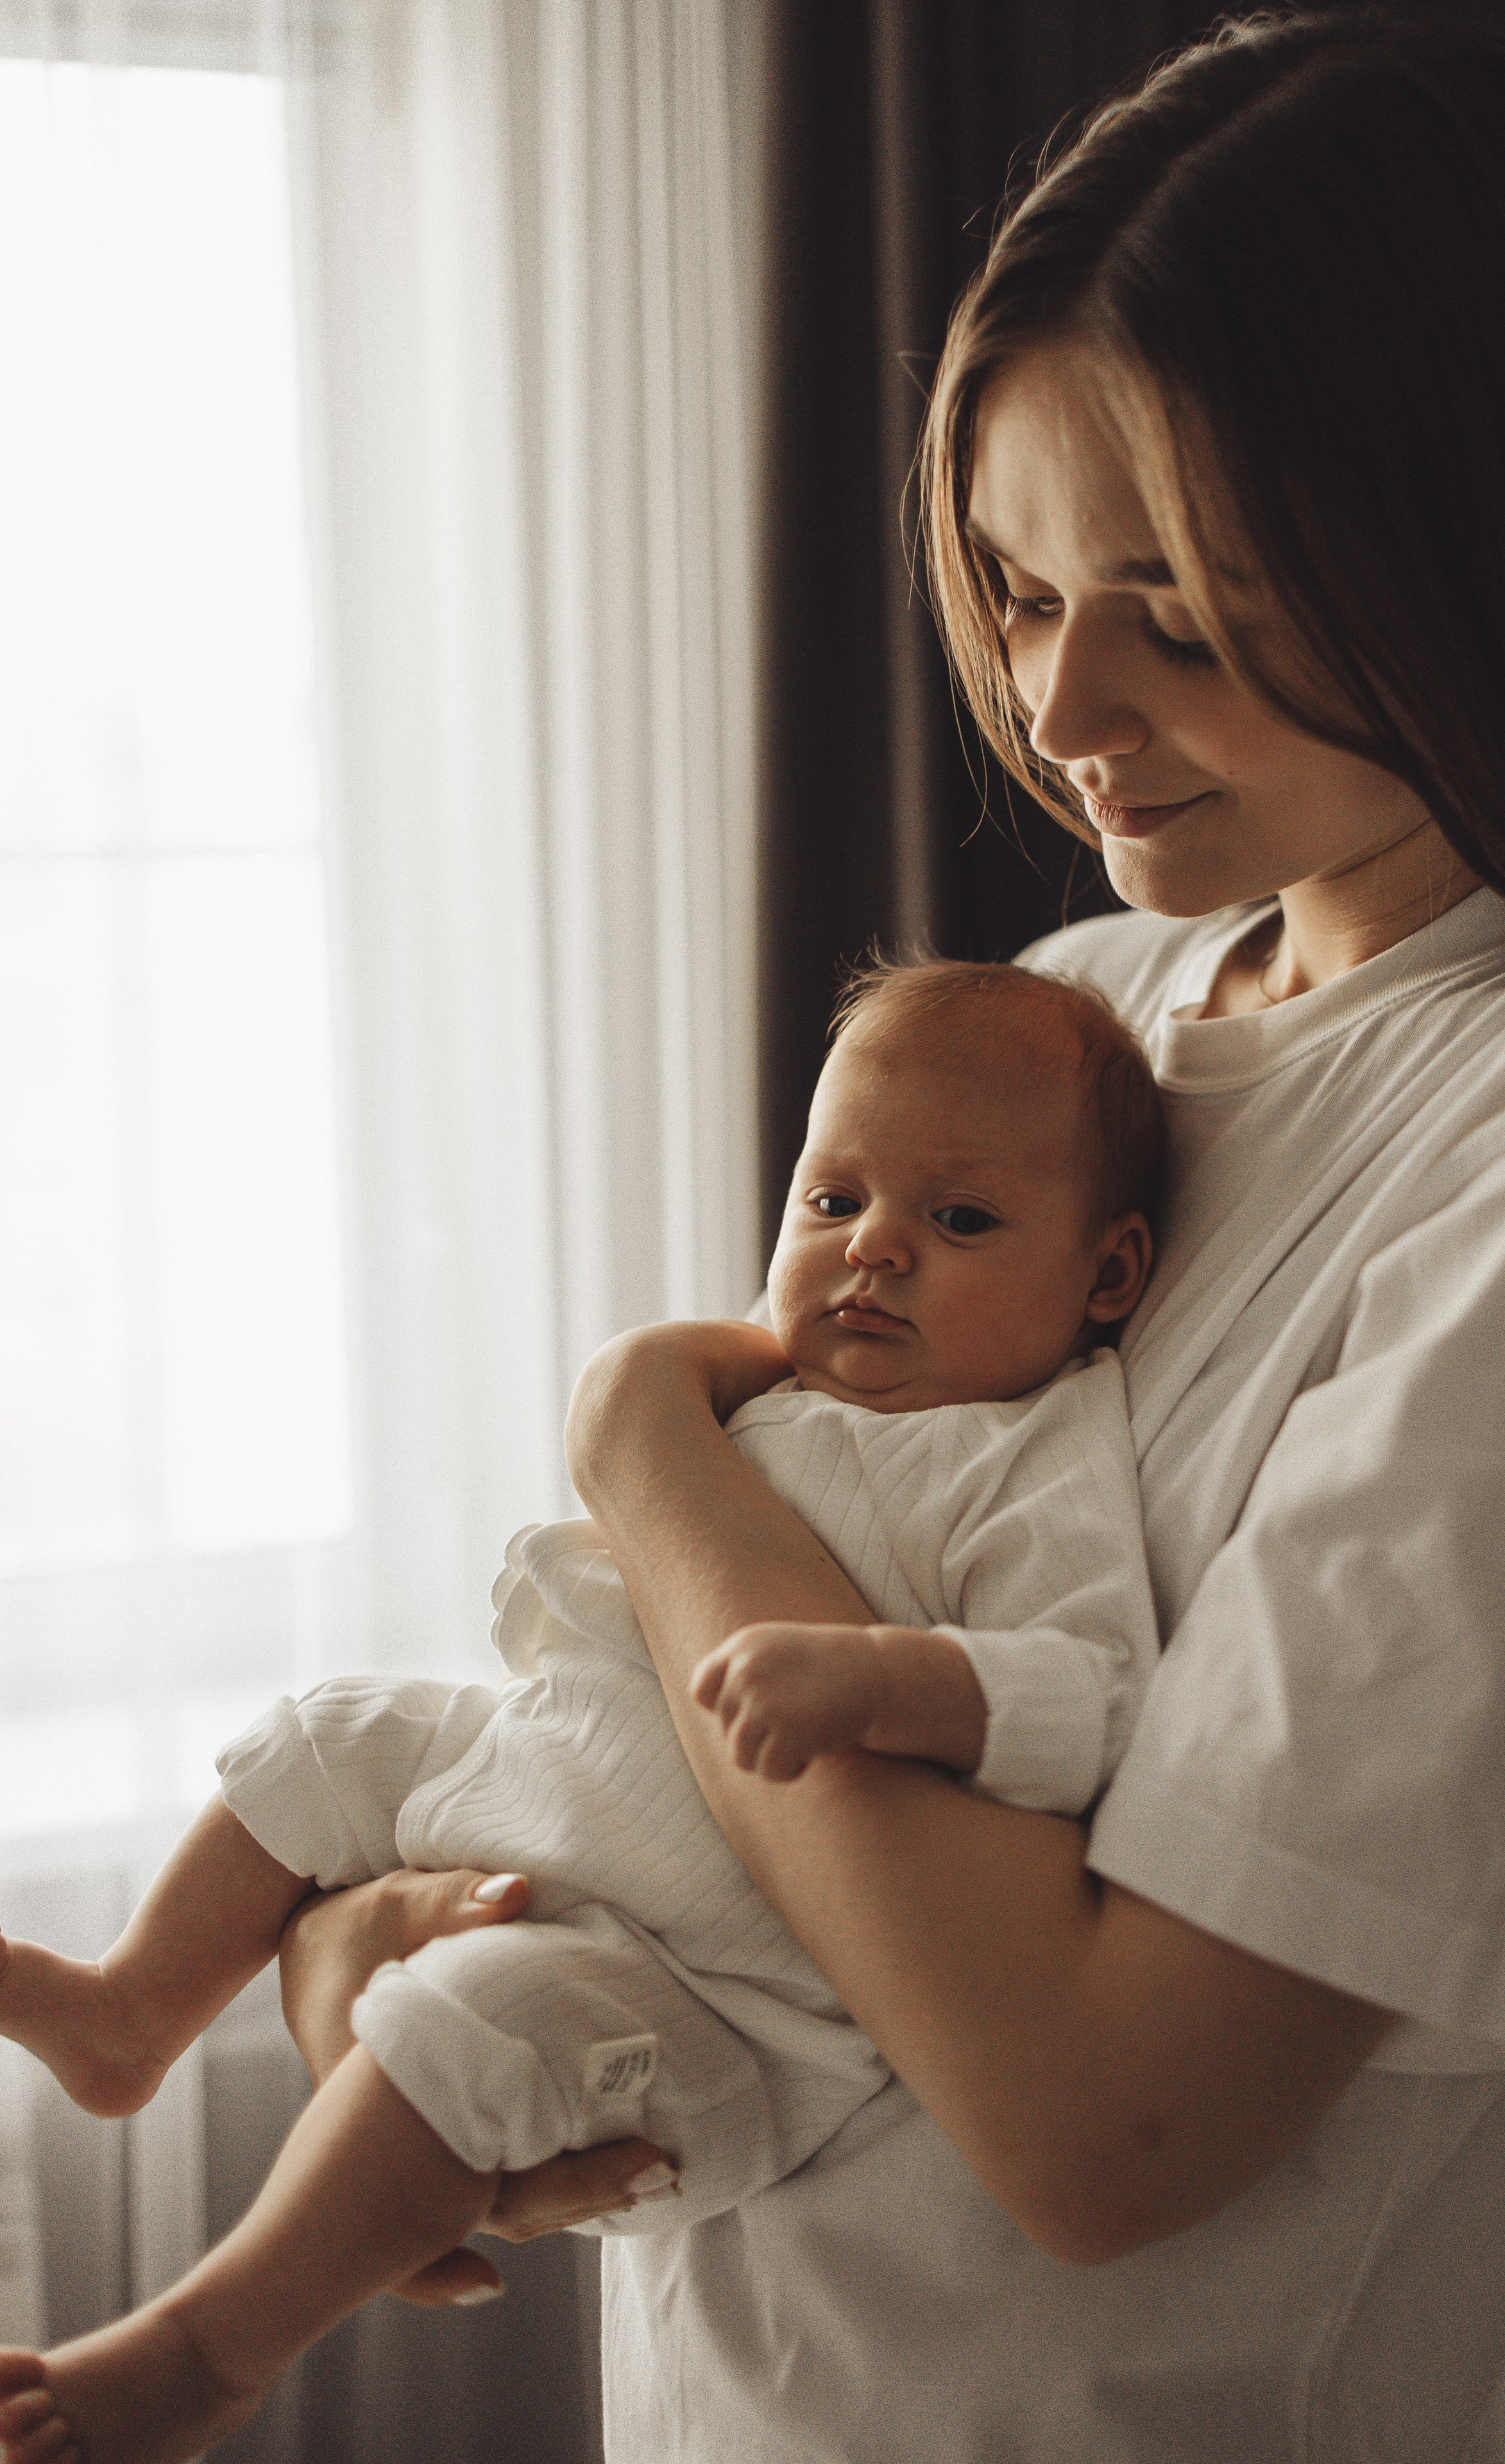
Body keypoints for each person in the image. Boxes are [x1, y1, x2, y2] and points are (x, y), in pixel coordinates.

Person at [137, 13, 1505, 2463]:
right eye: (1024, 586)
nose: (1061, 703)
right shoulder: (1091, 1016)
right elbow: (699, 1707)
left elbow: (1099, 2126)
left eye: (1175, 606)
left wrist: (647, 1447)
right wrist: (370, 1949)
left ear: (1459, 531)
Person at [0, 961, 1164, 2464]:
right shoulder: (771, 1386)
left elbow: (1096, 1694)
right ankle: (131, 2011)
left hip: (706, 1995)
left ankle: (207, 2352)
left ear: (1108, 1275)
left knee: (477, 2027)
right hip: (551, 1773)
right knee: (332, 1730)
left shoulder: (1032, 1454)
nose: (873, 1252)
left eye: (957, 1222)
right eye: (832, 1203)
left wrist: (891, 1677)